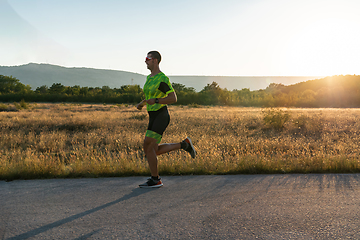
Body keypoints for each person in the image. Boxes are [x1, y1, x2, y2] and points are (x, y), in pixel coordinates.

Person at [136, 51, 196, 188]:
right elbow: (151, 96)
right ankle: (184, 144)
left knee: (148, 145)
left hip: (161, 115)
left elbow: (173, 98)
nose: (145, 61)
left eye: (148, 59)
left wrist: (156, 100)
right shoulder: (149, 78)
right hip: (152, 115)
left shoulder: (161, 79)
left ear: (155, 60)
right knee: (152, 150)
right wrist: (142, 103)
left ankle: (155, 179)